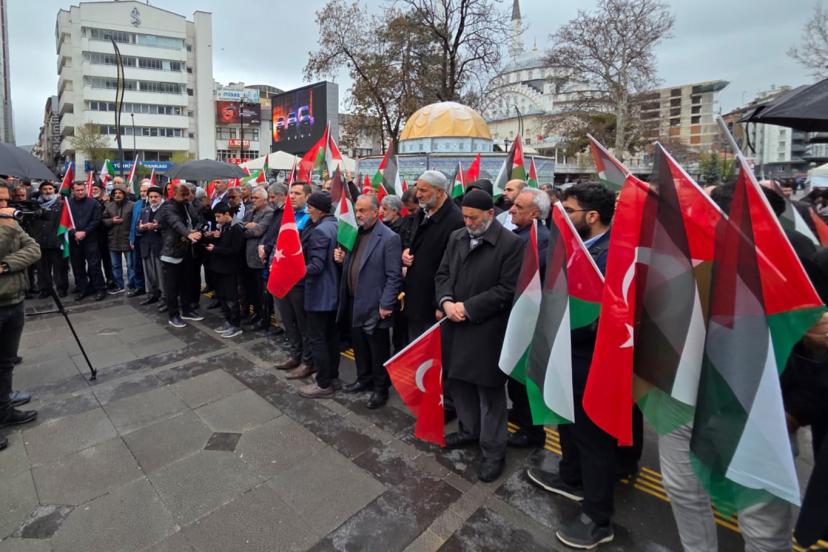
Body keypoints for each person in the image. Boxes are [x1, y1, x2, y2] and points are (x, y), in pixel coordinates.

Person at [525, 182, 618, 549]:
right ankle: (570, 476)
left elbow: (601, 319)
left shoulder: (612, 255)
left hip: (592, 361)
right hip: (566, 356)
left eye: (569, 211)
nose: (561, 217)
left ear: (592, 216)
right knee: (568, 422)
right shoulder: (578, 246)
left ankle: (598, 518)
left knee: (594, 439)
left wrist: (557, 326)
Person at [435, 189, 523, 482]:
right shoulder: (457, 237)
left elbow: (507, 290)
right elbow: (442, 274)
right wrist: (446, 301)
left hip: (487, 331)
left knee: (490, 395)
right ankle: (468, 431)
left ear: (490, 214)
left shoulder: (511, 244)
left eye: (474, 218)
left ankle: (493, 451)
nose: (468, 223)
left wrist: (468, 307)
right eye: (465, 217)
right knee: (458, 384)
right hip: (454, 324)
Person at [335, 194, 402, 409]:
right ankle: (363, 379)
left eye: (363, 210)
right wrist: (342, 261)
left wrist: (386, 304)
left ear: (376, 212)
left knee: (378, 349)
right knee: (359, 345)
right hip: (354, 301)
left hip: (375, 304)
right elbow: (356, 263)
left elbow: (394, 275)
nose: (359, 214)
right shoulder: (355, 233)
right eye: (357, 210)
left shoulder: (389, 238)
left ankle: (380, 389)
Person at [505, 187, 551, 449]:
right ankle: (520, 414)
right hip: (519, 320)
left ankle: (531, 432)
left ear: (534, 213)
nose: (511, 209)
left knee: (524, 380)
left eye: (518, 207)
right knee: (516, 379)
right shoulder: (525, 235)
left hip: (528, 324)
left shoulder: (538, 241)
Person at [0, 181, 41, 451]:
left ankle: (4, 408)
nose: (4, 206)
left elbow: (33, 249)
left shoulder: (10, 223)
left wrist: (6, 265)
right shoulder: (8, 225)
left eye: (6, 200)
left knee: (6, 362)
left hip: (14, 299)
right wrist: (7, 227)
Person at [403, 170, 464, 340]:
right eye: (418, 189)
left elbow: (454, 267)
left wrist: (441, 302)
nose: (418, 195)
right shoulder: (423, 212)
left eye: (423, 190)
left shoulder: (455, 221)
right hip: (415, 297)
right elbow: (413, 240)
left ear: (439, 191)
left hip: (433, 303)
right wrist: (407, 251)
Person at [295, 192, 341, 398]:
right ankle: (331, 375)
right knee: (331, 337)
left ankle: (323, 384)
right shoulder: (335, 225)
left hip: (320, 293)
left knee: (318, 339)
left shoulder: (319, 231)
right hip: (333, 292)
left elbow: (316, 266)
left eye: (311, 207)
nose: (308, 210)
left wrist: (294, 269)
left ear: (320, 210)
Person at [275, 182, 313, 372]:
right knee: (288, 321)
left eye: (297, 193)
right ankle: (295, 355)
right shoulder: (287, 216)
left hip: (300, 279)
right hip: (284, 276)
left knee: (302, 322)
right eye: (291, 193)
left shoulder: (310, 219)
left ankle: (307, 361)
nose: (292, 196)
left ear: (307, 196)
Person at [157, 183, 203, 328]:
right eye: (183, 195)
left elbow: (198, 219)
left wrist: (196, 230)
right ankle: (173, 315)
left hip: (187, 251)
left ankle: (186, 310)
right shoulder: (168, 207)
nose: (186, 198)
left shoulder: (188, 205)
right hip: (171, 252)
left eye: (188, 194)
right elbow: (175, 223)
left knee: (186, 283)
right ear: (174, 194)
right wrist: (188, 233)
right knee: (171, 287)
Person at [205, 203, 245, 338]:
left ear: (227, 214)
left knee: (231, 298)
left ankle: (235, 324)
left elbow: (235, 250)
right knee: (222, 296)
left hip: (230, 269)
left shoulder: (236, 228)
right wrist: (216, 238)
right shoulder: (224, 227)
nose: (217, 220)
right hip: (219, 268)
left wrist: (215, 249)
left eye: (218, 217)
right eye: (215, 217)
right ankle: (228, 321)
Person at [241, 187, 274, 328]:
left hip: (259, 259)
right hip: (247, 257)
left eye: (256, 198)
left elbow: (258, 231)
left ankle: (263, 317)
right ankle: (256, 313)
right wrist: (248, 226)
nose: (253, 200)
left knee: (261, 291)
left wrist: (247, 228)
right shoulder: (250, 211)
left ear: (265, 199)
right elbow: (238, 226)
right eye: (252, 197)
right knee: (252, 289)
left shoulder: (269, 213)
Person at [67, 182, 106, 301]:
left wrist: (84, 232)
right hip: (74, 240)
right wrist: (74, 233)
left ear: (86, 189)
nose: (80, 192)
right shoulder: (68, 204)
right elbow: (65, 221)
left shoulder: (94, 203)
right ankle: (82, 288)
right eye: (77, 190)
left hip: (90, 239)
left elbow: (96, 220)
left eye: (82, 189)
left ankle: (99, 289)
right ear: (73, 191)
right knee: (77, 266)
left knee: (94, 265)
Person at [32, 182, 68, 298]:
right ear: (40, 191)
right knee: (42, 269)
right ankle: (45, 289)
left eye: (50, 189)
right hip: (40, 243)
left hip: (56, 242)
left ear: (54, 190)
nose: (47, 191)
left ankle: (61, 288)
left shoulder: (61, 205)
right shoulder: (35, 206)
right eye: (44, 189)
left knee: (59, 268)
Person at [102, 185, 134, 294]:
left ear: (124, 194)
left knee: (130, 265)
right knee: (115, 266)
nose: (117, 195)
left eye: (120, 193)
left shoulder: (132, 205)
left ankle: (132, 286)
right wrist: (112, 221)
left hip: (127, 239)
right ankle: (119, 286)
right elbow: (103, 220)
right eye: (115, 193)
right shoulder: (109, 206)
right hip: (113, 240)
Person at [136, 186, 165, 306]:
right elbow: (138, 227)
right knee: (149, 274)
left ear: (161, 197)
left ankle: (164, 297)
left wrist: (156, 227)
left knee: (161, 274)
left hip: (160, 245)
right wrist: (141, 228)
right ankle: (152, 294)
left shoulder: (165, 210)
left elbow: (168, 227)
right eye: (151, 197)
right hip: (146, 246)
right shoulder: (145, 210)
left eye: (156, 197)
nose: (153, 199)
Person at [126, 180, 151, 298]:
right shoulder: (136, 204)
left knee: (149, 264)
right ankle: (139, 287)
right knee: (136, 264)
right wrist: (131, 239)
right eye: (141, 191)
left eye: (145, 191)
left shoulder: (153, 204)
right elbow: (133, 222)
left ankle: (151, 288)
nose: (143, 193)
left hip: (148, 238)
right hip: (137, 238)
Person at [91, 182, 116, 292]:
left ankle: (111, 280)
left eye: (96, 189)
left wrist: (105, 202)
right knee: (94, 261)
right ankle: (95, 282)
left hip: (105, 235)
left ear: (101, 190)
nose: (93, 191)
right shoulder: (90, 201)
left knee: (107, 260)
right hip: (93, 236)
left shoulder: (108, 201)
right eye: (92, 189)